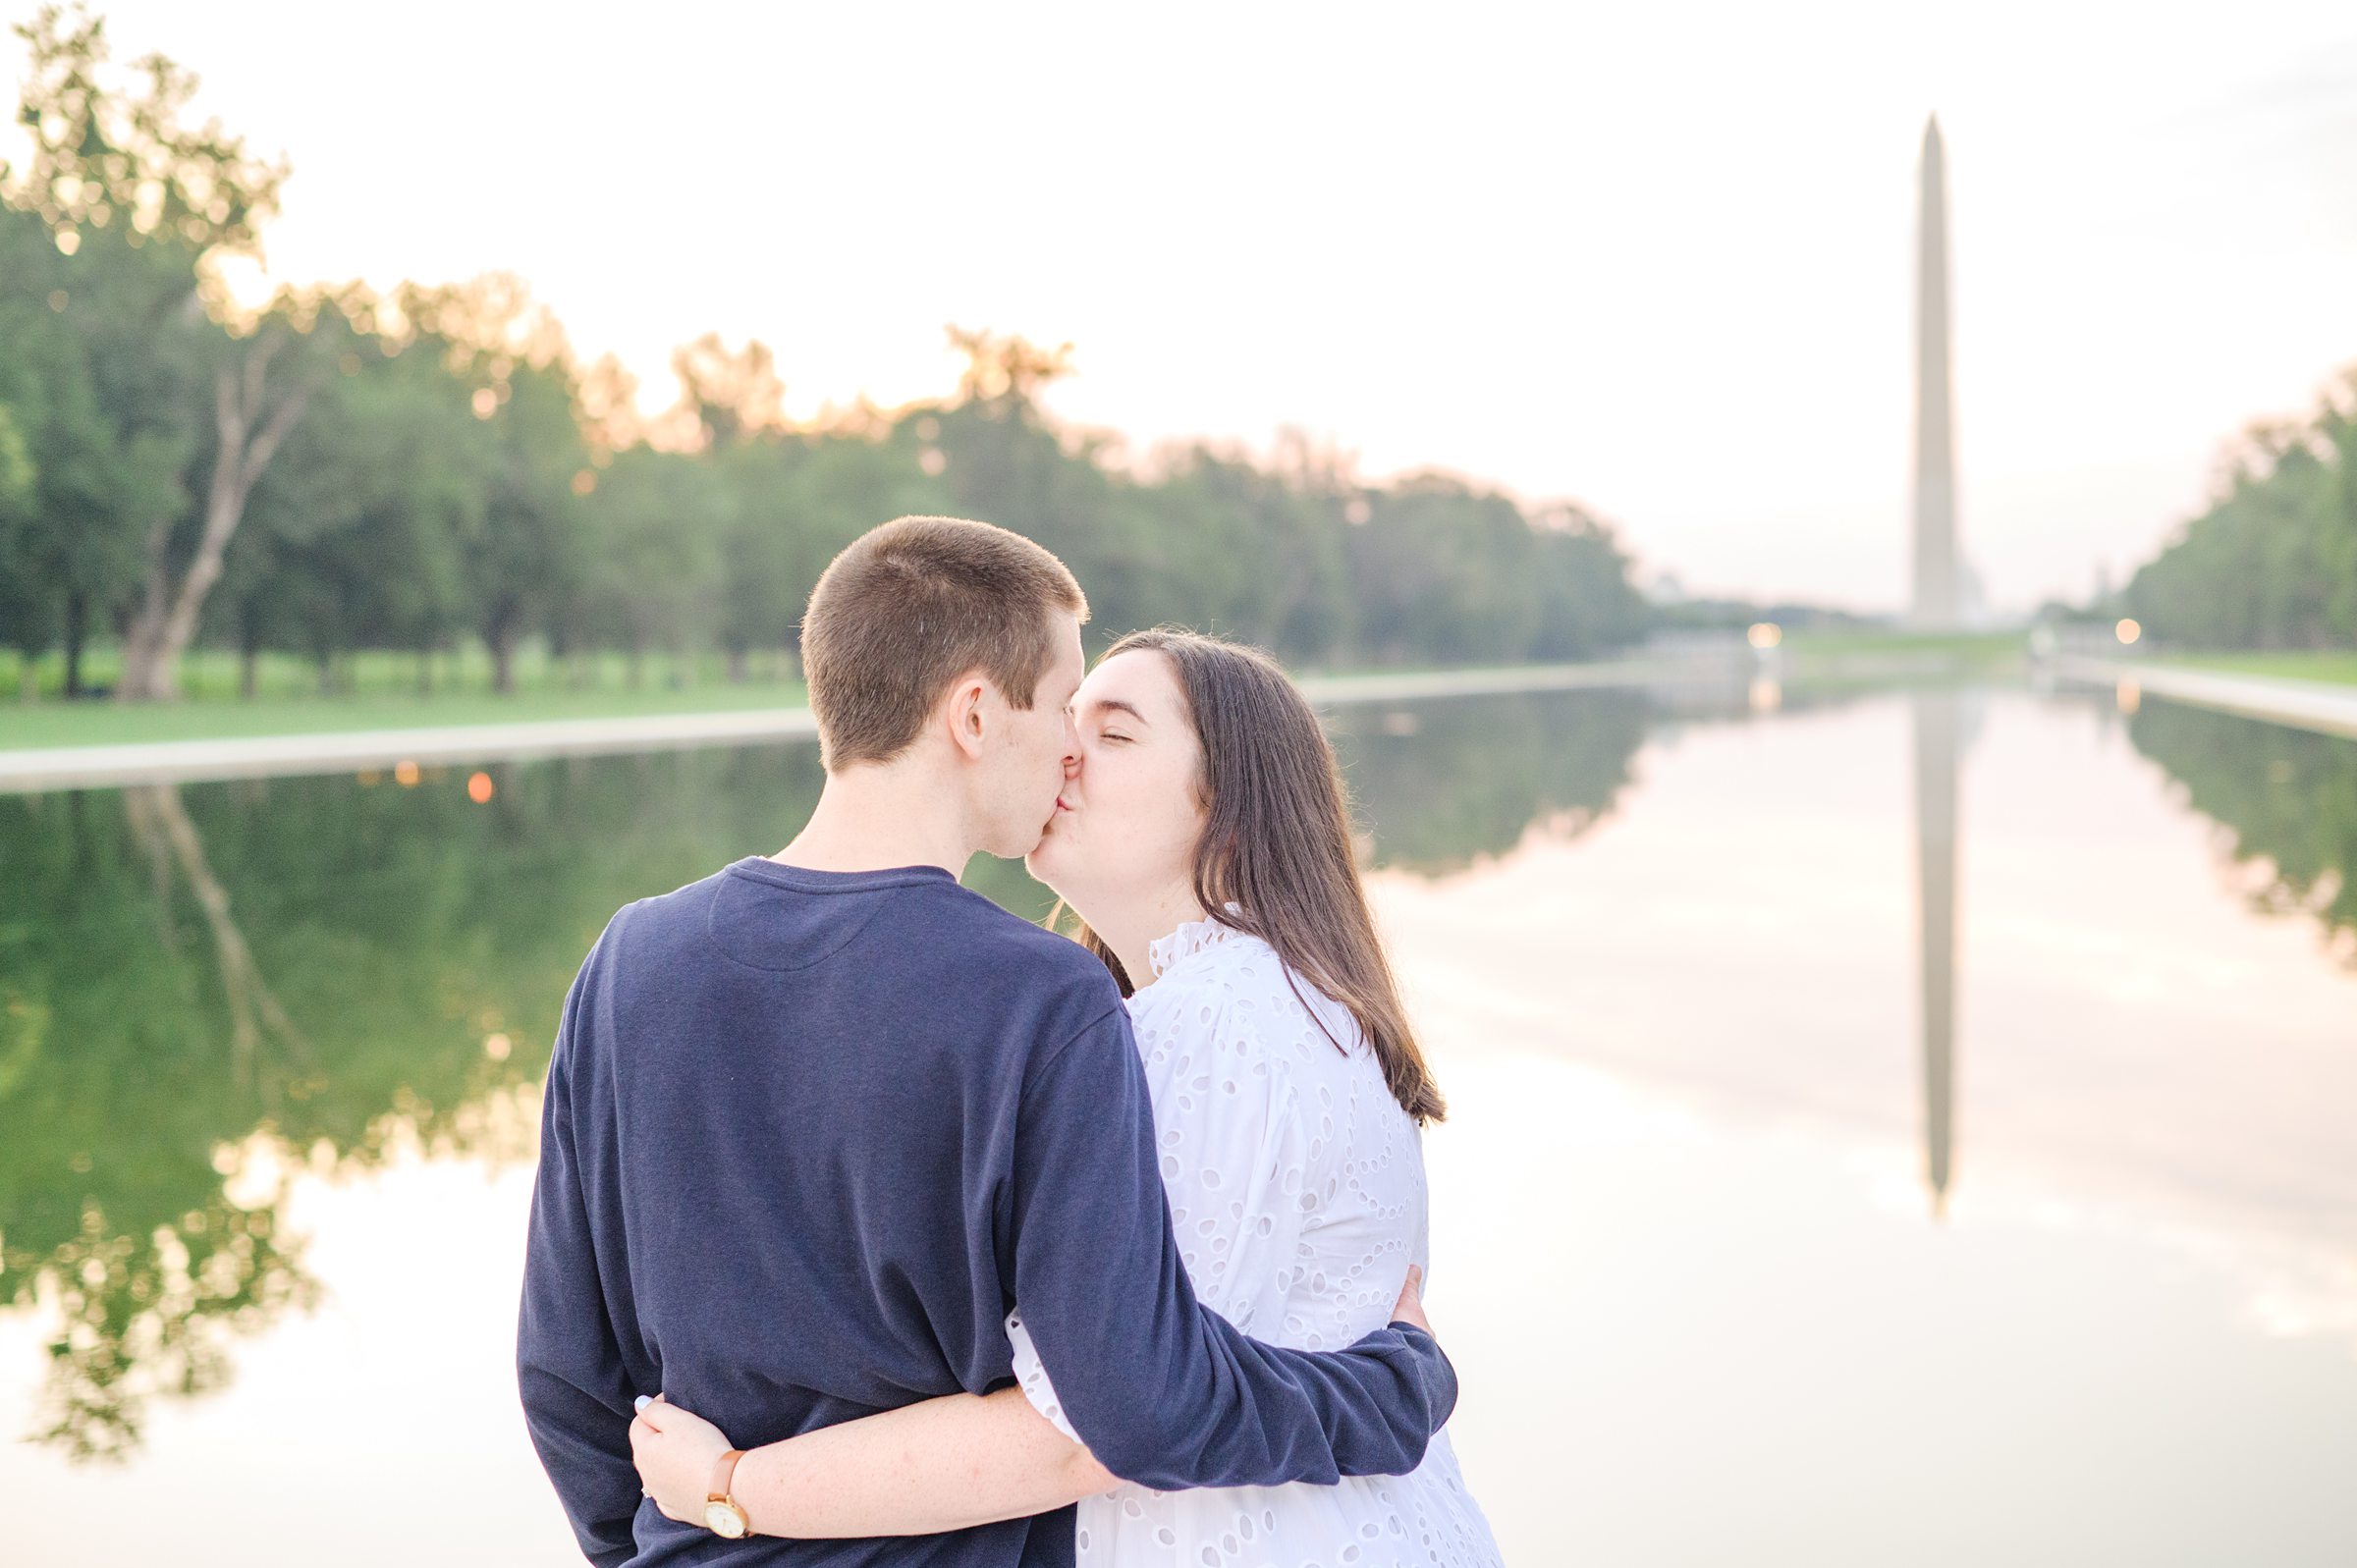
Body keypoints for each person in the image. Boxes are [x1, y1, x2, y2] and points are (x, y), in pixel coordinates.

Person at [517, 518, 1457, 1568]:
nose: (1067, 747)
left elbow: (565, 1374)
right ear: (973, 713)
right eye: (1065, 706)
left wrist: (673, 1540)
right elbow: (1132, 1401)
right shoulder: (1041, 994)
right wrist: (1390, 1390)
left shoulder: (628, 958)